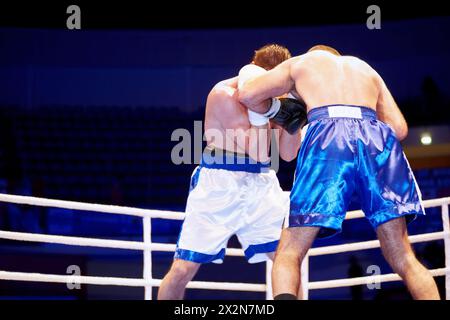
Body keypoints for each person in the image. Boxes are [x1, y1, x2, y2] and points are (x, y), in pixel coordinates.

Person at [238, 45, 440, 300]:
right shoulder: (366, 69)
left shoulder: (301, 63)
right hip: (376, 136)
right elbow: (398, 129)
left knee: (289, 251)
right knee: (403, 255)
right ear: (338, 58)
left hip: (328, 133)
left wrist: (279, 110)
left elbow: (246, 94)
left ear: (315, 55)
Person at [158, 44, 306, 300]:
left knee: (285, 260)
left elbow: (288, 155)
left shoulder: (281, 97)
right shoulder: (223, 94)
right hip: (219, 183)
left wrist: (296, 114)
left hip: (262, 183)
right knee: (183, 268)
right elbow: (259, 150)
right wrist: (267, 112)